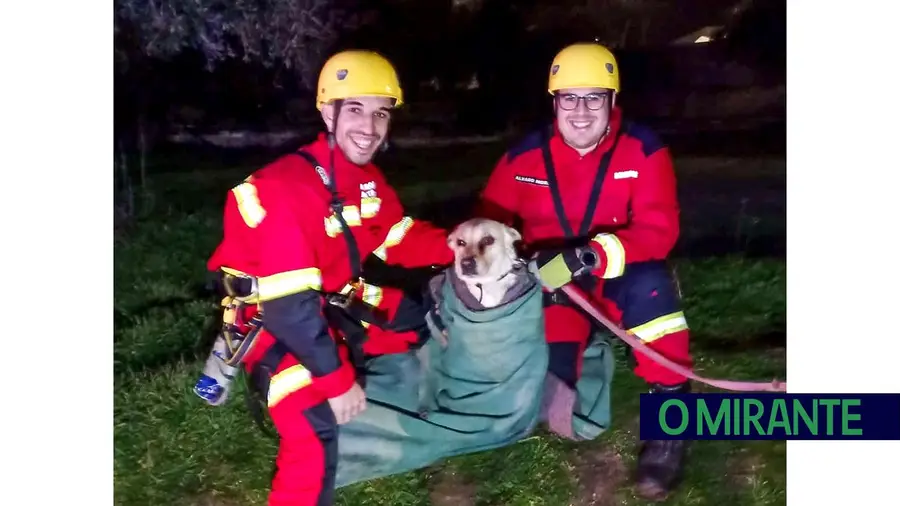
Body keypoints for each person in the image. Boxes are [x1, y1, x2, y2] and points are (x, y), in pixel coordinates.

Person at [205, 49, 454, 506]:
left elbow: (395, 238)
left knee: (421, 320)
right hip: (274, 323)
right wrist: (336, 383)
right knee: (313, 432)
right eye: (355, 109)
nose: (370, 127)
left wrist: (457, 245)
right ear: (326, 111)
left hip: (333, 299)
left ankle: (391, 396)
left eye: (381, 113)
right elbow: (289, 310)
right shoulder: (288, 189)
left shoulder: (365, 179)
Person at [474, 42, 694, 501]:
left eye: (594, 97)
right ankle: (574, 355)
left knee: (654, 295)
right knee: (553, 398)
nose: (580, 111)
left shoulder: (644, 150)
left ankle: (671, 420)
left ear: (612, 101)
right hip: (554, 283)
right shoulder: (522, 158)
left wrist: (592, 255)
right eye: (568, 98)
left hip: (621, 273)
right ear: (554, 102)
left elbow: (660, 228)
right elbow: (488, 225)